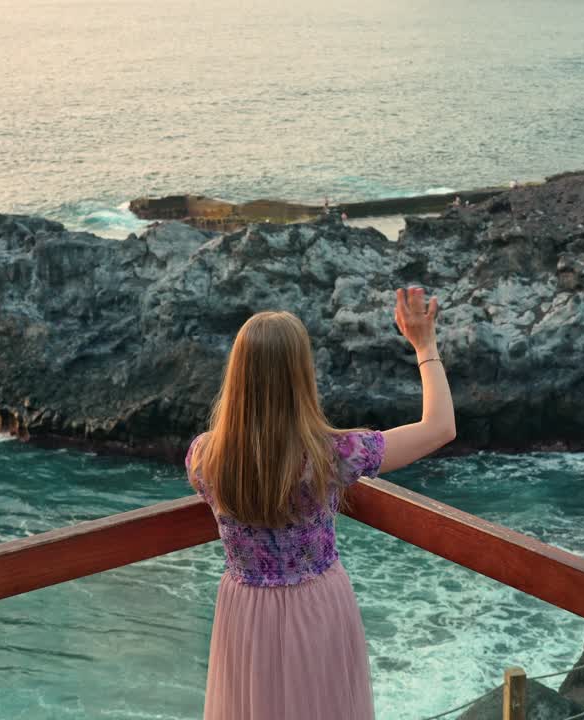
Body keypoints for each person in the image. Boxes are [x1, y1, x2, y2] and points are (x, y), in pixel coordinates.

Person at [185, 289, 455, 720]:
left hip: (245, 612)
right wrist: (424, 346)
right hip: (316, 605)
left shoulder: (204, 457)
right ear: (301, 375)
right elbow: (440, 427)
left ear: (237, 376)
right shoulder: (333, 455)